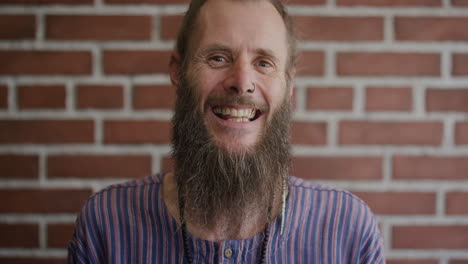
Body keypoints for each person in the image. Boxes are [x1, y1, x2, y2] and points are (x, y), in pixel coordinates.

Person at [68, 0, 385, 263]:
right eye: (218, 57)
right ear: (179, 72)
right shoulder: (106, 226)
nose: (242, 81)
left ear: (289, 85)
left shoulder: (349, 233)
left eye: (263, 63)